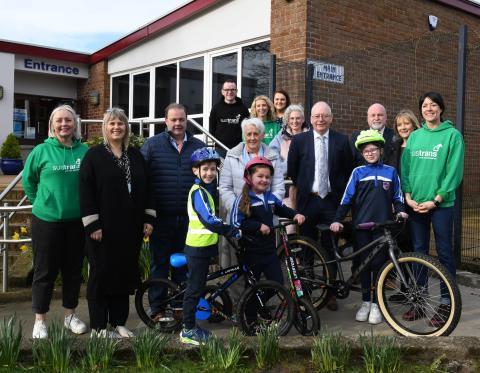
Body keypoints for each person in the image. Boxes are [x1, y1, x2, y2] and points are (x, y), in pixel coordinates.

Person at [79, 108, 156, 338]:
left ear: (126, 128)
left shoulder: (134, 155)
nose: (116, 127)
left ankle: (119, 322)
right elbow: (85, 191)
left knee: (123, 275)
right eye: (112, 123)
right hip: (102, 230)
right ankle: (99, 327)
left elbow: (148, 187)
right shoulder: (94, 156)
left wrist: (149, 218)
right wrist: (92, 225)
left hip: (130, 229)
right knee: (101, 276)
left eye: (120, 123)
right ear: (105, 127)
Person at [22, 105, 88, 339]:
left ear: (75, 125)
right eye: (59, 121)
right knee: (44, 272)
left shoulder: (85, 150)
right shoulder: (40, 151)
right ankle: (40, 320)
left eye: (68, 121)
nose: (64, 125)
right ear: (52, 125)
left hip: (77, 222)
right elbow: (28, 181)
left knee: (72, 271)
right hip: (47, 221)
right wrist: (41, 201)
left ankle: (70, 315)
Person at [330, 129, 407, 325]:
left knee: (379, 266)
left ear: (381, 150)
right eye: (366, 151)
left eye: (374, 149)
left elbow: (397, 197)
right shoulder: (358, 172)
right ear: (362, 154)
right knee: (364, 265)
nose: (370, 153)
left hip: (383, 227)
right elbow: (346, 198)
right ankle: (365, 302)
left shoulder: (390, 172)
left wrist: (400, 211)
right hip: (361, 227)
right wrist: (338, 219)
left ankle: (376, 304)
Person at [401, 91, 464, 327]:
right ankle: (418, 303)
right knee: (418, 253)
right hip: (416, 205)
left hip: (441, 206)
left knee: (445, 254)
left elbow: (454, 172)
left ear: (441, 109)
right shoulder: (415, 137)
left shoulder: (452, 136)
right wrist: (408, 195)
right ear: (421, 110)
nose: (429, 109)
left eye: (433, 105)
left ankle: (446, 305)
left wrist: (436, 200)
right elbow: (406, 168)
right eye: (425, 106)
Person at [140, 103, 205, 321]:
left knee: (183, 265)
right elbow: (141, 178)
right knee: (159, 263)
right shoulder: (151, 145)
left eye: (181, 119)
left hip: (189, 219)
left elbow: (207, 179)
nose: (178, 123)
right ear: (165, 121)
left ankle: (180, 307)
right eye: (173, 119)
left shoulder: (197, 146)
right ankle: (157, 308)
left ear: (187, 121)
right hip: (161, 217)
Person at [287, 101, 354, 311]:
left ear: (331, 118)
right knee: (306, 246)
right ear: (311, 119)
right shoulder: (299, 141)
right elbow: (293, 170)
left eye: (324, 116)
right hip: (308, 201)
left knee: (329, 247)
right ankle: (306, 292)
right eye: (316, 116)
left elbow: (348, 170)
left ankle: (330, 292)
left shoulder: (342, 140)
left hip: (331, 202)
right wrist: (306, 189)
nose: (320, 120)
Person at [180, 148, 240, 346]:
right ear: (195, 171)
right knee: (194, 290)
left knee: (197, 286)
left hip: (204, 248)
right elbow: (209, 220)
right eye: (205, 169)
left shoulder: (207, 190)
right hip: (197, 249)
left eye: (213, 169)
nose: (209, 173)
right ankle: (187, 330)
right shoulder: (198, 192)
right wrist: (229, 229)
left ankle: (191, 326)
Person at [219, 117, 285, 271]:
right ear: (243, 135)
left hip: (265, 219)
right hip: (241, 220)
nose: (252, 138)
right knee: (240, 263)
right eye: (248, 134)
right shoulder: (232, 155)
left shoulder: (273, 156)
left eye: (256, 134)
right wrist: (239, 207)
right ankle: (240, 295)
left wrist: (266, 208)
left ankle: (263, 291)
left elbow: (279, 188)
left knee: (266, 262)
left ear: (262, 135)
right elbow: (224, 187)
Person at [231, 157, 305, 285]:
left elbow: (281, 209)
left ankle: (261, 305)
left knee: (278, 283)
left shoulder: (270, 197)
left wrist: (295, 215)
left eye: (268, 177)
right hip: (251, 251)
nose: (264, 180)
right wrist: (258, 226)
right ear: (249, 177)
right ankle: (253, 305)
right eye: (260, 176)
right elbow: (236, 222)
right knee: (253, 287)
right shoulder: (243, 199)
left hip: (270, 250)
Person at [208, 79, 250, 158]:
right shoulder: (216, 108)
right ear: (222, 92)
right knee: (221, 170)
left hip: (239, 148)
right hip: (220, 148)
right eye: (227, 90)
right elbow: (212, 128)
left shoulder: (243, 108)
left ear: (236, 91)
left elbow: (247, 128)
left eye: (232, 90)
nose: (229, 92)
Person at [269, 104, 308, 178]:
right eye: (292, 118)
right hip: (284, 179)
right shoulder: (280, 136)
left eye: (298, 118)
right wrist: (288, 165)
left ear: (303, 119)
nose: (295, 121)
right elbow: (272, 156)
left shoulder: (310, 137)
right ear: (288, 120)